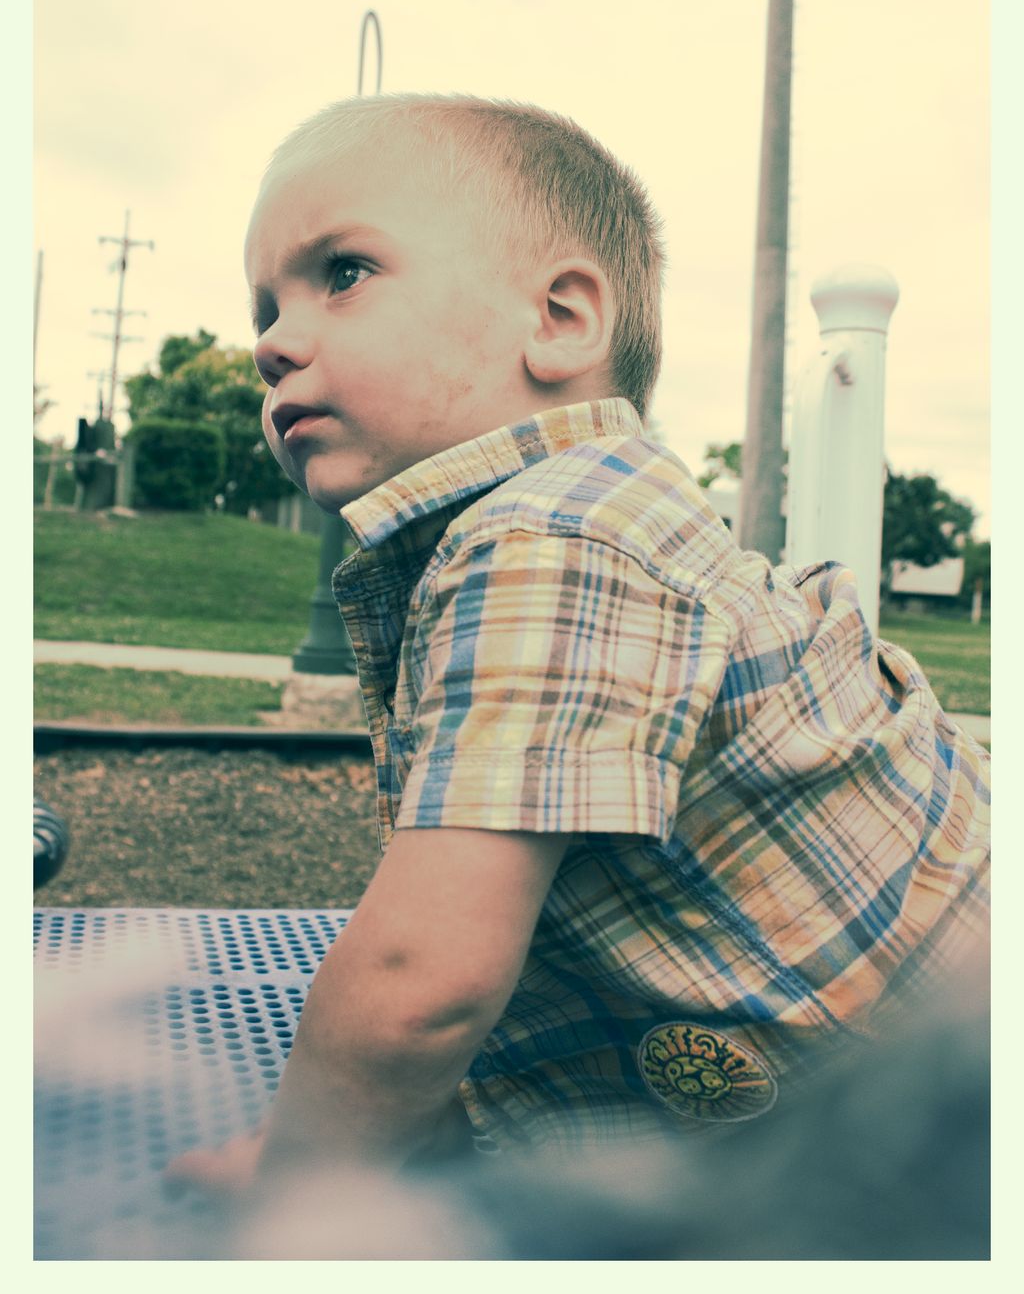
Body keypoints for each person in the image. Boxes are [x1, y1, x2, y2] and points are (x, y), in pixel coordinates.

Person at [166, 94, 990, 1197]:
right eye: (267, 304)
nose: (270, 342)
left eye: (343, 272)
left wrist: (299, 1182)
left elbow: (423, 978)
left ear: (560, 319)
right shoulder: (575, 523)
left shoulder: (552, 538)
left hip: (954, 1125)